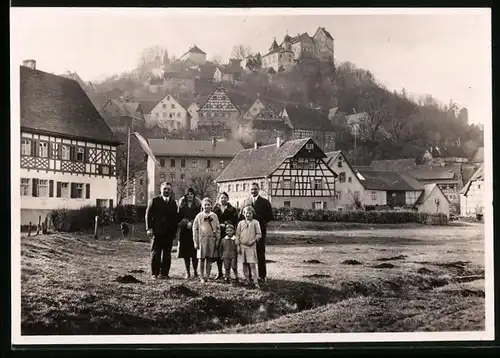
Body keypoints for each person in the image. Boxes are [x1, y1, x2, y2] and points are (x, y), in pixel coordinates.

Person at [239, 182, 274, 283]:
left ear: (259, 190)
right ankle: (249, 275)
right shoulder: (246, 202)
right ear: (249, 191)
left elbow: (269, 217)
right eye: (252, 189)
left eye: (255, 189)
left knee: (260, 253)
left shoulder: (265, 202)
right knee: (249, 252)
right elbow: (241, 216)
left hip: (260, 231)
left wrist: (260, 223)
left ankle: (262, 276)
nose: (253, 191)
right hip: (248, 231)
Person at [145, 182, 180, 280]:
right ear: (160, 190)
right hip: (157, 232)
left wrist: (174, 232)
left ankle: (164, 273)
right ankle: (154, 274)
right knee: (156, 253)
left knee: (167, 254)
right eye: (165, 189)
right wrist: (149, 228)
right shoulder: (154, 201)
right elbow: (148, 215)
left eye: (168, 189)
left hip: (169, 233)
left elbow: (174, 218)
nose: (166, 191)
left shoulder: (173, 203)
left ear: (171, 191)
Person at [192, 197, 220, 283]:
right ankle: (202, 276)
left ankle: (207, 275)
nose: (207, 206)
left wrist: (217, 240)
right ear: (202, 206)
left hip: (211, 239)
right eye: (205, 205)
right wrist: (195, 241)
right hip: (201, 240)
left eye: (208, 205)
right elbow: (195, 229)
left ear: (211, 206)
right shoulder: (199, 216)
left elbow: (218, 228)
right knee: (201, 258)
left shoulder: (214, 216)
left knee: (209, 259)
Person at [212, 191, 239, 280]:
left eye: (225, 197)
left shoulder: (232, 209)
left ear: (228, 199)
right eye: (221, 198)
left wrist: (226, 224)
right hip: (218, 233)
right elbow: (212, 220)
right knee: (219, 253)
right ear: (219, 199)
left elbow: (235, 221)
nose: (223, 199)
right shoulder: (215, 209)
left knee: (229, 253)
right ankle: (220, 272)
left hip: (228, 233)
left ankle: (231, 274)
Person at [177, 187, 202, 279]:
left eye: (191, 194)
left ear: (194, 195)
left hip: (194, 230)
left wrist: (192, 222)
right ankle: (188, 272)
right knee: (186, 253)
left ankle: (195, 272)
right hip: (184, 231)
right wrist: (184, 221)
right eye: (188, 194)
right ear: (185, 195)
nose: (190, 196)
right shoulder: (182, 205)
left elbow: (199, 216)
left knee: (194, 252)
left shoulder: (197, 205)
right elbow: (179, 216)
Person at [235, 205, 262, 289]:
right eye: (246, 213)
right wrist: (238, 245)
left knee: (252, 264)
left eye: (250, 213)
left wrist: (253, 241)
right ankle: (246, 279)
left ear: (252, 214)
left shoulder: (255, 222)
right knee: (244, 264)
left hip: (251, 246)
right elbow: (237, 235)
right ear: (243, 214)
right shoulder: (240, 223)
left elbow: (259, 234)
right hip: (242, 246)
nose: (248, 215)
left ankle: (255, 281)